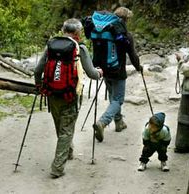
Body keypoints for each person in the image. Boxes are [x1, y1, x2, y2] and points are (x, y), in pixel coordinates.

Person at [34, 18, 103, 178]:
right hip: (70, 95)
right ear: (78, 33)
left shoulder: (50, 45)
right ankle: (57, 168)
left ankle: (68, 152)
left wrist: (39, 87)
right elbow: (92, 74)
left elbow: (38, 70)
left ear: (63, 30)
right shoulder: (80, 48)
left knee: (61, 126)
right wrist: (99, 72)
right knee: (66, 130)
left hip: (51, 94)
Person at [93, 7, 143, 142]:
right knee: (118, 99)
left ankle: (119, 122)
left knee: (112, 96)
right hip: (118, 70)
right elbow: (132, 55)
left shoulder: (102, 32)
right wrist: (139, 67)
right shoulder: (125, 35)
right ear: (126, 19)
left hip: (103, 69)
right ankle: (102, 122)